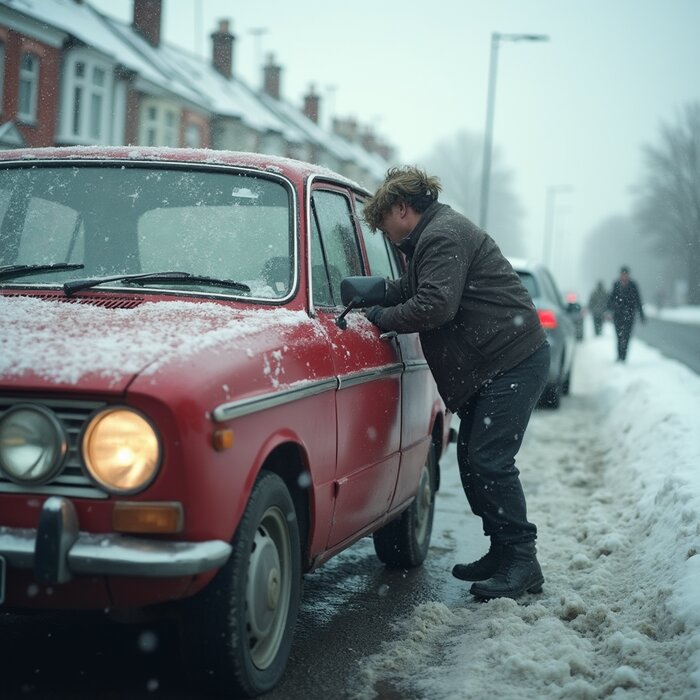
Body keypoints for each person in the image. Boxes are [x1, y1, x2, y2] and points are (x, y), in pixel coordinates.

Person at [362, 166, 550, 601]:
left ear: (402, 209)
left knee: (489, 459)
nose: (386, 235)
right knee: (471, 457)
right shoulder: (433, 235)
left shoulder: (441, 235)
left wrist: (383, 320)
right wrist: (375, 292)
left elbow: (435, 304)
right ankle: (503, 550)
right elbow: (415, 287)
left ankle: (523, 561)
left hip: (513, 361)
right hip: (498, 364)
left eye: (384, 224)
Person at [607, 266, 645, 362]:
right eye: (622, 274)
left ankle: (624, 357)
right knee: (619, 337)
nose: (624, 276)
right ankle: (619, 355)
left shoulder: (633, 285)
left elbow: (638, 300)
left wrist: (641, 315)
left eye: (625, 274)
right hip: (618, 316)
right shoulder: (616, 284)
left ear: (628, 275)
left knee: (627, 336)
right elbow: (610, 299)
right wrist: (609, 310)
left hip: (629, 316)